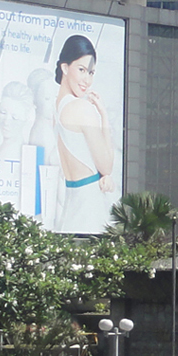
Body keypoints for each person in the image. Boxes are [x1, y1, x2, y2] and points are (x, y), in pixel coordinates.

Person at [52, 34, 117, 232]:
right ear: (65, 67)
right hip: (90, 207)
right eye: (81, 70)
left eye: (91, 73)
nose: (87, 80)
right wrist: (103, 116)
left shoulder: (57, 108)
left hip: (71, 205)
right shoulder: (81, 108)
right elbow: (106, 165)